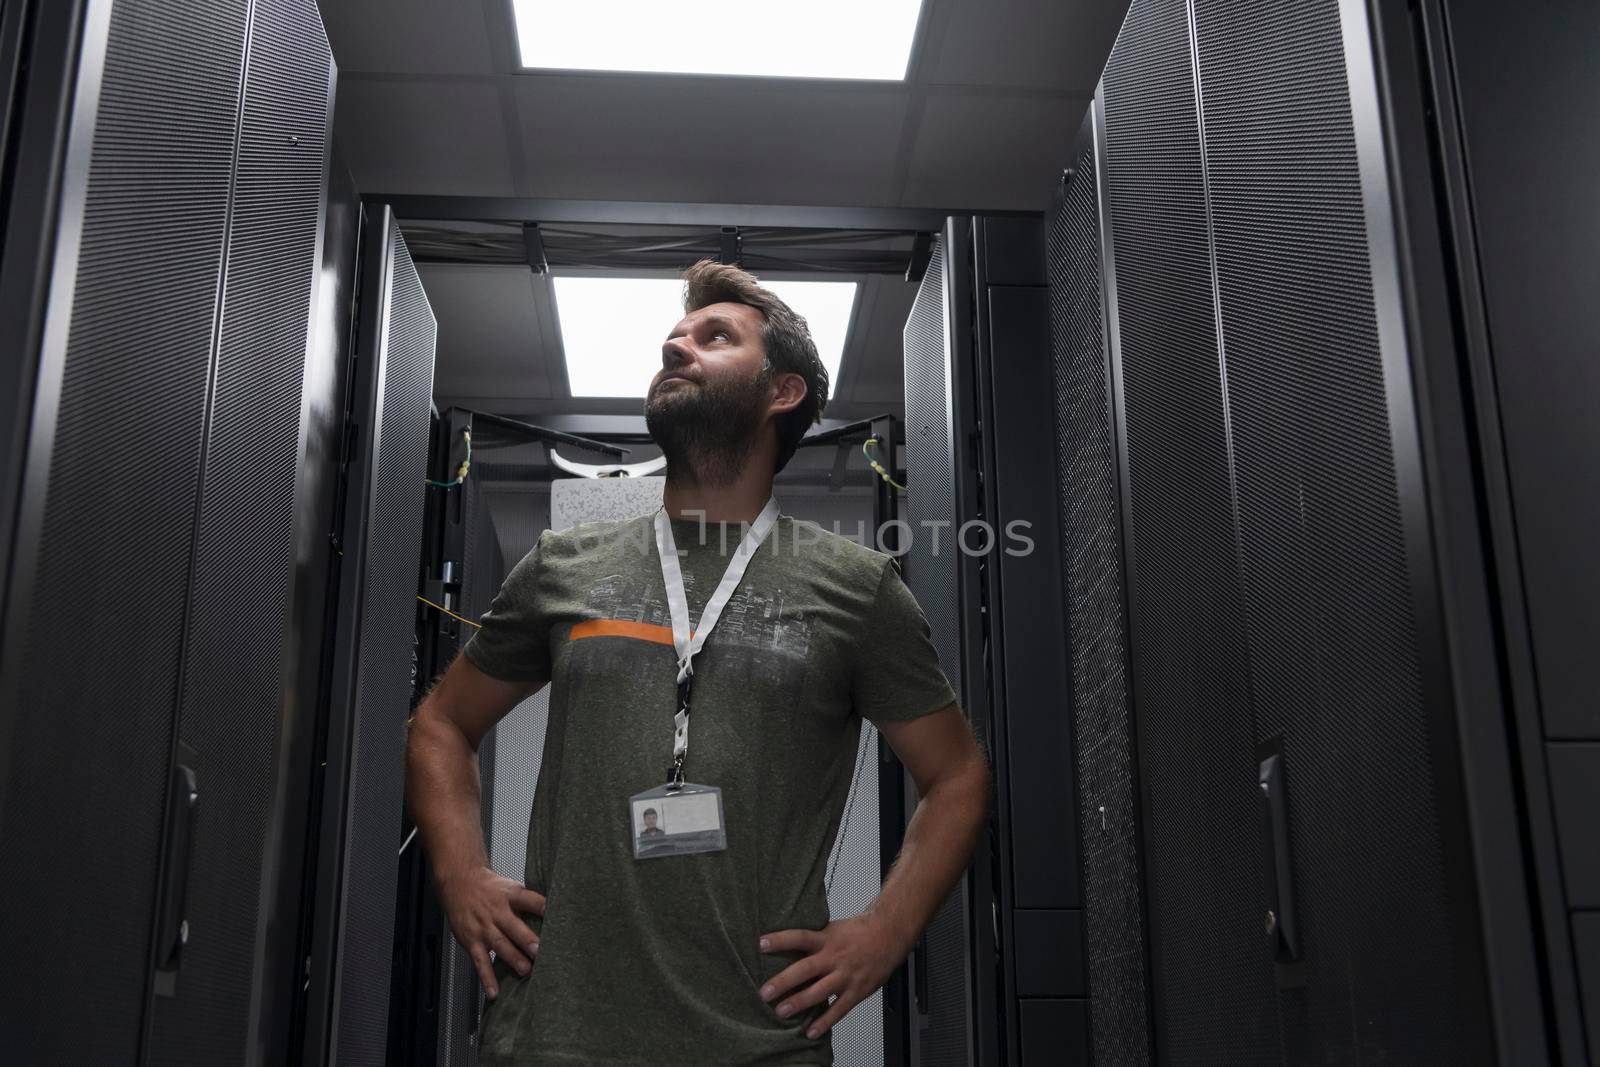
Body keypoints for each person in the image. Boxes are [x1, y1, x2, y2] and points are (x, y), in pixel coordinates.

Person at [404, 259, 991, 1066]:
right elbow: (441, 721)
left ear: (782, 391)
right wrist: (462, 874)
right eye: (673, 337)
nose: (677, 347)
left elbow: (957, 775)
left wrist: (884, 932)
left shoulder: (858, 589)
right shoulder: (562, 566)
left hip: (759, 1042)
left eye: (714, 336)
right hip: (554, 1037)